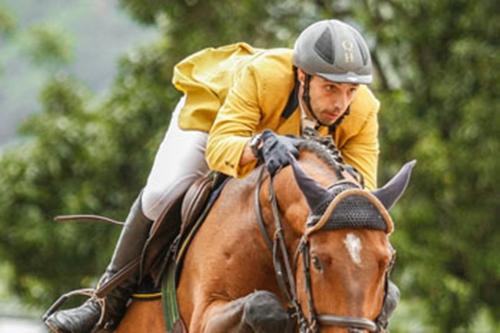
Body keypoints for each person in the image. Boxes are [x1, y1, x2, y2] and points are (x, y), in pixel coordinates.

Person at [44, 19, 385, 333]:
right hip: (217, 119)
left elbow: (359, 194)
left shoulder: (363, 109)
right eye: (330, 88)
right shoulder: (262, 76)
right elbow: (220, 148)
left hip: (284, 159)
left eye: (350, 91)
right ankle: (105, 302)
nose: (341, 102)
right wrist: (261, 144)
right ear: (302, 76)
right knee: (162, 193)